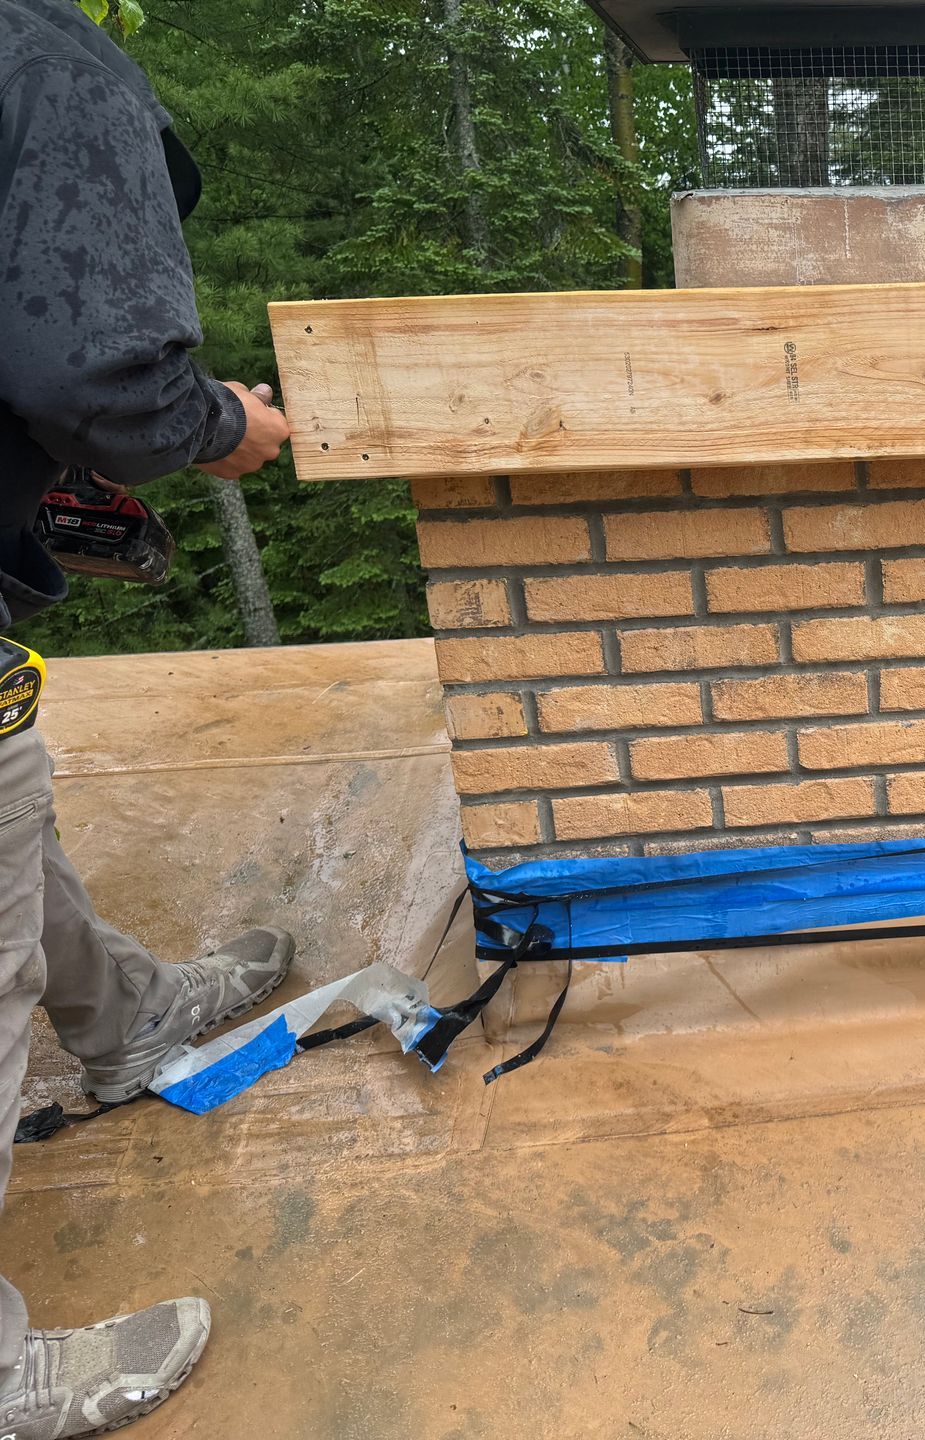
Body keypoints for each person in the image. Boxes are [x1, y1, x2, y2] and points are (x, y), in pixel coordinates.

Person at [0, 0, 301, 1432]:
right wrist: (218, 426)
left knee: (11, 812)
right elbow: (100, 372)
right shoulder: (43, 59)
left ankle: (125, 1021)